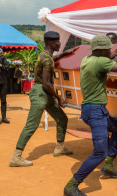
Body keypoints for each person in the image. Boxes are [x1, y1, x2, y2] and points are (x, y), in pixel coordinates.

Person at [64, 35, 117, 196]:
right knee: (99, 152)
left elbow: (104, 58)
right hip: (95, 112)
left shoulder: (87, 59)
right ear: (101, 50)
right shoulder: (102, 62)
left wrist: (113, 54)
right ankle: (71, 185)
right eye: (108, 48)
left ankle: (108, 166)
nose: (110, 50)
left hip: (94, 110)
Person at [9, 31, 76, 167]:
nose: (60, 43)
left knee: (62, 118)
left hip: (45, 93)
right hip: (41, 93)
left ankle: (59, 147)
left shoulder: (46, 55)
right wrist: (59, 98)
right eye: (58, 41)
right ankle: (16, 157)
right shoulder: (47, 59)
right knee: (31, 125)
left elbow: (52, 59)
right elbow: (46, 83)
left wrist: (64, 53)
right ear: (51, 43)